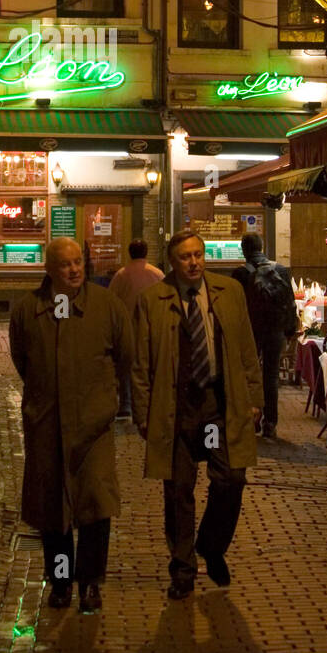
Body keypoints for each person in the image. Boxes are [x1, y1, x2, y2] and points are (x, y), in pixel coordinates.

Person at [132, 231, 263, 599]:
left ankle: (211, 545)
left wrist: (255, 397)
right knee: (178, 492)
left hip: (217, 408)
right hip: (176, 410)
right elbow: (140, 364)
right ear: (172, 263)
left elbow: (246, 347)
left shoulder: (228, 292)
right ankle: (183, 570)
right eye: (185, 257)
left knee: (230, 478)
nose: (194, 263)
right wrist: (142, 413)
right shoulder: (153, 300)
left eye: (198, 255)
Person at [9, 237, 133, 614]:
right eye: (65, 264)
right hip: (46, 426)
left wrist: (104, 402)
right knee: (53, 513)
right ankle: (60, 583)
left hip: (93, 428)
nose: (75, 270)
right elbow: (23, 361)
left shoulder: (106, 306)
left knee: (95, 508)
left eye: (79, 262)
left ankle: (90, 584)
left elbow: (125, 358)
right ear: (49, 269)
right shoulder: (28, 310)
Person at [232, 232, 298, 443]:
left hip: (251, 330)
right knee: (271, 376)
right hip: (275, 330)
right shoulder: (279, 269)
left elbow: (236, 306)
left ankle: (252, 419)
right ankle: (271, 423)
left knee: (248, 375)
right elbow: (290, 300)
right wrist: (289, 329)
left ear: (244, 249)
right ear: (262, 247)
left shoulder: (241, 273)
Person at [108, 240, 164, 418]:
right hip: (153, 327)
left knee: (126, 366)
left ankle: (126, 404)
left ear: (130, 252)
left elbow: (111, 301)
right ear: (146, 253)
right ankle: (151, 402)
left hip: (128, 328)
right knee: (151, 365)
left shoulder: (121, 275)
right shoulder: (157, 274)